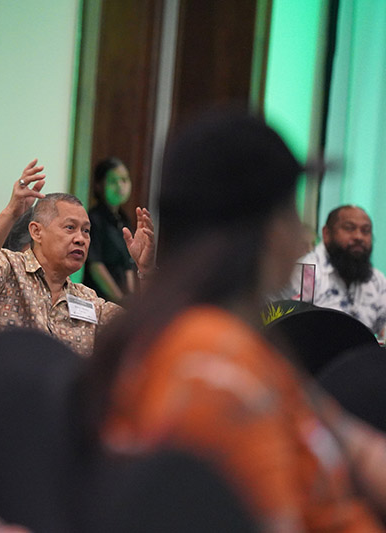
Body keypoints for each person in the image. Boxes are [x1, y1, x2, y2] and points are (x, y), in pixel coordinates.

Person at [86, 110, 386, 531]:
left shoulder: (218, 340)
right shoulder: (217, 370)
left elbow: (352, 444)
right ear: (262, 230)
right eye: (290, 211)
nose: (302, 236)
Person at [0, 159, 156, 357]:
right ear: (36, 232)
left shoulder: (88, 300)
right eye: (70, 228)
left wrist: (146, 271)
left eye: (86, 231)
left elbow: (144, 336)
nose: (80, 239)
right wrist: (11, 212)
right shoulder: (8, 267)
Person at [282, 205, 386, 336]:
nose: (359, 236)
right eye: (349, 228)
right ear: (327, 233)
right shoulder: (307, 272)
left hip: (362, 354)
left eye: (365, 231)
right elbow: (291, 328)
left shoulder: (377, 280)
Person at [83, 157, 136, 303]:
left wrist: (131, 299)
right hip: (99, 300)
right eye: (113, 181)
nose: (120, 186)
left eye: (124, 180)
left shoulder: (124, 219)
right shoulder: (93, 218)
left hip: (121, 303)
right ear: (99, 185)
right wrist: (119, 300)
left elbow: (128, 265)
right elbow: (96, 266)